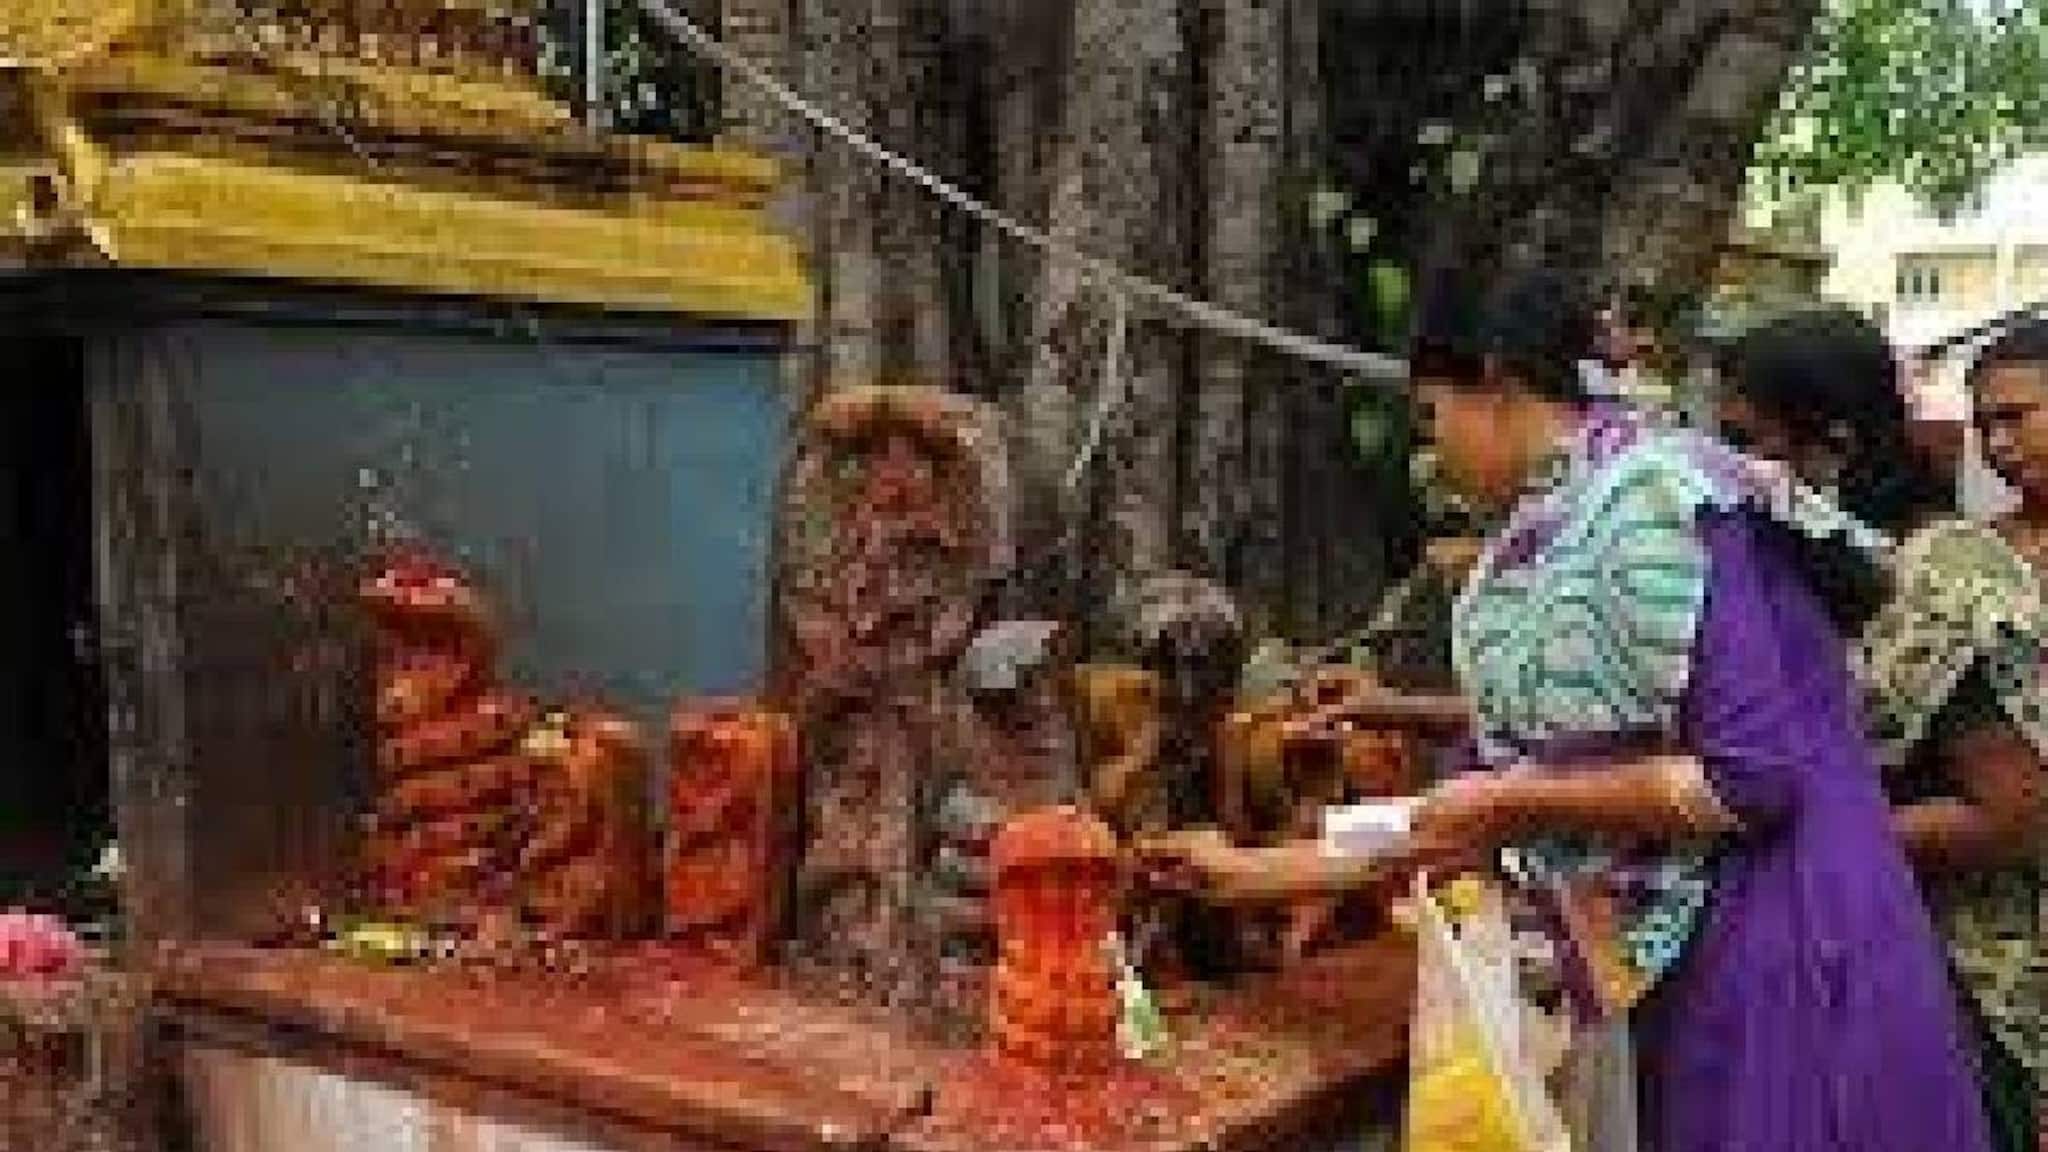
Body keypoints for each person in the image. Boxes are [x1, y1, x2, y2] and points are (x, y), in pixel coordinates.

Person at [1143, 268, 1993, 1151]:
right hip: (1658, 951)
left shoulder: (1668, 498)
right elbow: (1483, 800)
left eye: (1433, 416)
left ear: (1497, 385)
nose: (1431, 452)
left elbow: (1752, 778)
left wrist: (1514, 803)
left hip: (1782, 947)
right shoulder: (1538, 547)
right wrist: (1257, 870)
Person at [1717, 307, 2043, 1152]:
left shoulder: (1943, 577)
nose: (1727, 467)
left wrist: (1822, 847)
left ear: (1832, 443)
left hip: (1970, 985)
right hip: (1858, 954)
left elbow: (2013, 813)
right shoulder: (1829, 563)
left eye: (1746, 442)